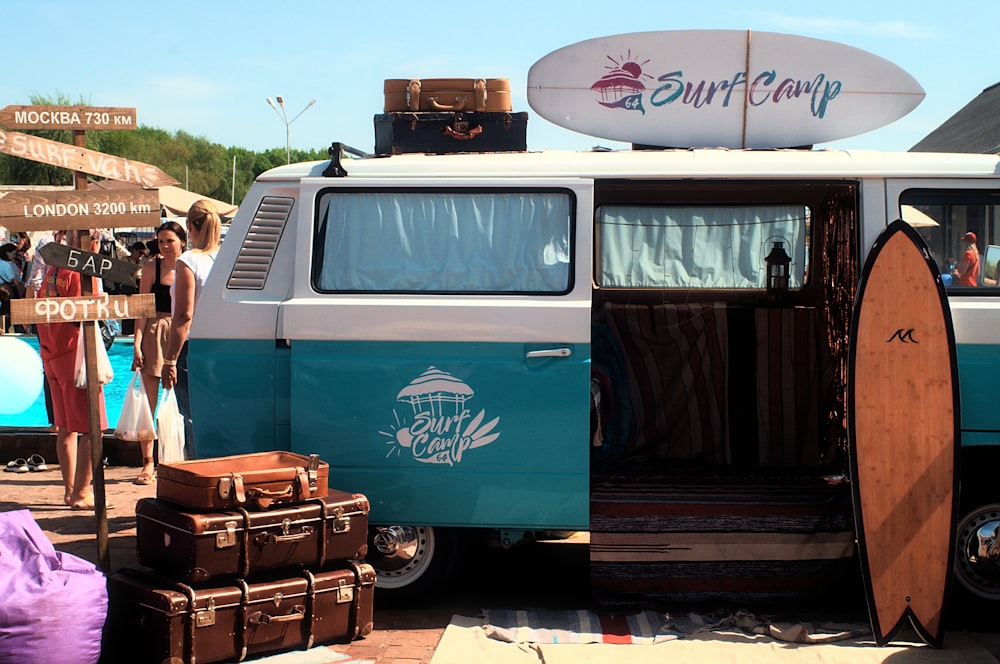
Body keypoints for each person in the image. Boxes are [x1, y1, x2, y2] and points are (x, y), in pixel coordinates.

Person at [36, 263, 109, 510]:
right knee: (92, 426)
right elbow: (90, 311)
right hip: (74, 353)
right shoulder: (80, 273)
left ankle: (70, 491)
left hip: (51, 353)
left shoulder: (52, 270)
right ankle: (81, 493)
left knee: (65, 427)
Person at [162, 200, 221, 458]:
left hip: (192, 348)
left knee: (191, 418)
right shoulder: (224, 258)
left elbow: (184, 315)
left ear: (189, 227)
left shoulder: (188, 261)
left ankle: (198, 477)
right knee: (216, 414)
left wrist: (170, 359)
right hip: (221, 345)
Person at [131, 222, 186, 484]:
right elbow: (142, 308)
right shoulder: (152, 267)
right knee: (148, 403)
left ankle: (175, 459)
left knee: (181, 400)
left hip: (182, 332)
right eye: (161, 241)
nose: (164, 246)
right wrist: (136, 343)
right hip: (154, 332)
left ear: (182, 242)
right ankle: (148, 462)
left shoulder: (189, 266)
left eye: (170, 241)